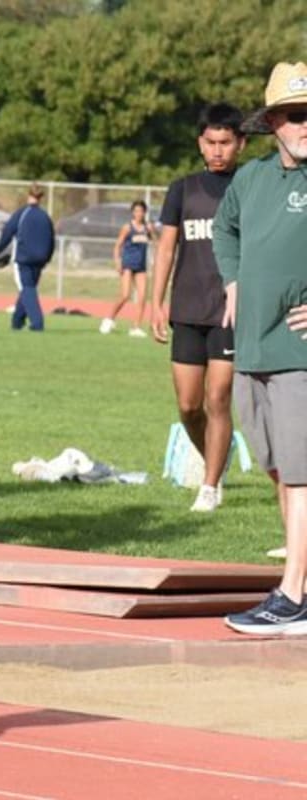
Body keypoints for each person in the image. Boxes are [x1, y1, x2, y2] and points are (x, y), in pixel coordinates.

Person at [215, 62, 307, 635]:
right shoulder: (250, 180)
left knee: (302, 477)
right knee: (279, 470)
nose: (306, 126)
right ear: (274, 121)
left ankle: (293, 594)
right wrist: (233, 280)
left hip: (300, 352)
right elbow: (227, 231)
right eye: (297, 117)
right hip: (252, 349)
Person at [151, 103, 246, 513]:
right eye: (211, 142)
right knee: (189, 406)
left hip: (230, 311)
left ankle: (209, 487)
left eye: (226, 142)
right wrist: (155, 303)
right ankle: (215, 461)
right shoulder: (182, 189)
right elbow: (167, 247)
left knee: (218, 398)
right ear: (200, 143)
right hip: (187, 309)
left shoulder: (251, 186)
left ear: (241, 143)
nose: (218, 150)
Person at [0, 182, 54, 331]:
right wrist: (47, 257)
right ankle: (17, 322)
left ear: (28, 195)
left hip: (24, 259)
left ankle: (37, 323)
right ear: (41, 197)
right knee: (28, 288)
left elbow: (8, 230)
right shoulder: (45, 216)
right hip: (40, 259)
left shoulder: (23, 213)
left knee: (26, 288)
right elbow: (51, 239)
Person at [100, 200, 156, 337]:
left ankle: (135, 327)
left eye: (141, 211)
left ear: (144, 213)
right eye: (136, 211)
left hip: (141, 266)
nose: (138, 214)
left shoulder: (147, 228)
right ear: (132, 212)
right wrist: (117, 262)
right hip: (128, 264)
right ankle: (109, 319)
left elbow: (156, 242)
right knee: (125, 295)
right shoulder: (127, 227)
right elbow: (118, 245)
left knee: (142, 296)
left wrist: (152, 231)